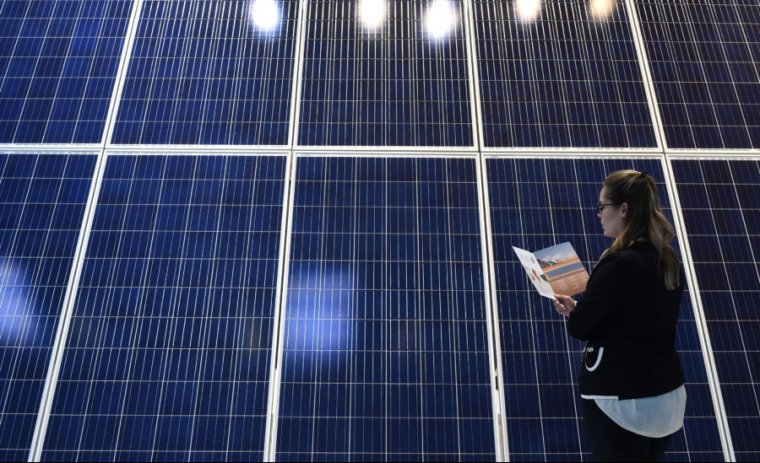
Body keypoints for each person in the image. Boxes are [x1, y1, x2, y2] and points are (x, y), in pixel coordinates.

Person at [552, 170, 686, 462]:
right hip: (667, 398)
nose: (599, 215)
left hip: (622, 400)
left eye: (602, 207)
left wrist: (575, 311)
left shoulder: (618, 263)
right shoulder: (667, 259)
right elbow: (637, 315)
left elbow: (582, 327)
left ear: (623, 209)